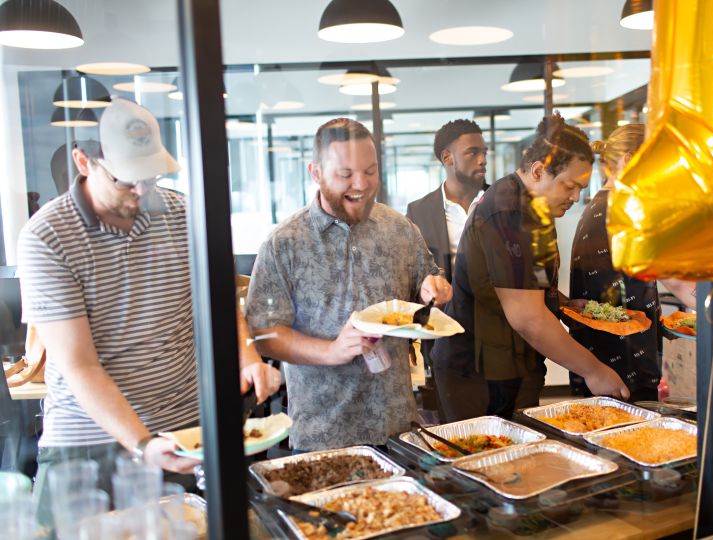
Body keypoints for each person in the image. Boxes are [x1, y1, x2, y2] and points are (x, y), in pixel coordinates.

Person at [16, 98, 280, 516]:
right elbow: (79, 365)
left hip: (185, 430)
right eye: (126, 180)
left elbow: (219, 303)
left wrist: (246, 358)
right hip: (89, 441)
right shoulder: (47, 238)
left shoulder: (183, 215)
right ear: (84, 162)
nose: (142, 191)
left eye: (151, 176)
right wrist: (142, 443)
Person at [245, 117, 452, 452]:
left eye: (370, 171)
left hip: (397, 428)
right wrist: (331, 351)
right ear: (316, 173)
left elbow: (426, 281)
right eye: (345, 174)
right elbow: (265, 334)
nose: (361, 184)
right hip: (322, 434)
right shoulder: (284, 243)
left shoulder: (400, 229)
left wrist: (435, 286)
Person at [432, 113, 629, 421]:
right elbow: (528, 318)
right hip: (479, 375)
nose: (576, 198)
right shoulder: (509, 211)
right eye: (570, 186)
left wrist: (561, 303)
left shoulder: (535, 210)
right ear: (538, 171)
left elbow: (528, 281)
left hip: (512, 365)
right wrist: (594, 371)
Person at [568, 124, 661, 401]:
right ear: (630, 159)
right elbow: (671, 277)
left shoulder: (601, 205)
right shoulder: (622, 210)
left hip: (610, 356)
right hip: (624, 363)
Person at [406, 119, 488, 281]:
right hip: (445, 305)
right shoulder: (419, 212)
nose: (482, 160)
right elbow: (413, 273)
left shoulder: (503, 201)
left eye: (484, 153)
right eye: (473, 152)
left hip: (500, 304)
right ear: (447, 157)